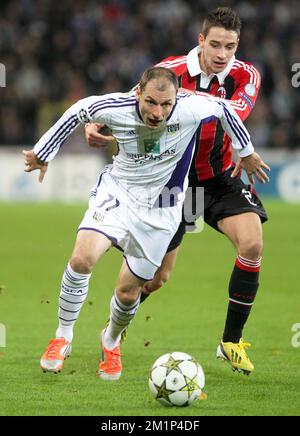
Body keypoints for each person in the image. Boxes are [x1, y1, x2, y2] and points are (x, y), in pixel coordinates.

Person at [23, 66, 268, 380]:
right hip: (118, 194)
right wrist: (44, 152)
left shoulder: (192, 107)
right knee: (82, 258)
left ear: (175, 99)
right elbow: (76, 111)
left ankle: (110, 340)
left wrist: (245, 151)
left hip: (162, 209)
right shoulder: (115, 107)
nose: (158, 112)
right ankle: (62, 337)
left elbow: (225, 110)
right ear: (137, 93)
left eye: (166, 105)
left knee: (129, 292)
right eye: (151, 102)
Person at [84, 7, 269, 375]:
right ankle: (115, 328)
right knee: (156, 278)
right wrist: (95, 119)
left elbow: (231, 111)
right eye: (214, 44)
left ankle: (230, 341)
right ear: (200, 41)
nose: (221, 54)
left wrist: (242, 149)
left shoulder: (246, 75)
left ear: (237, 46)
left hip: (218, 175)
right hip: (172, 183)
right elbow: (133, 99)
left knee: (252, 243)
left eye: (230, 46)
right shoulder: (171, 72)